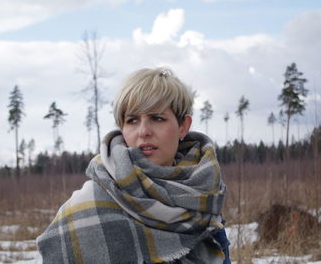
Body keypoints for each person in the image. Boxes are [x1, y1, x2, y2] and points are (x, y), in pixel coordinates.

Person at [37, 67, 230, 263]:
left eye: (157, 118)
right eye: (132, 120)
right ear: (122, 128)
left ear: (183, 127)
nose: (143, 131)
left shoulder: (204, 194)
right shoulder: (88, 206)